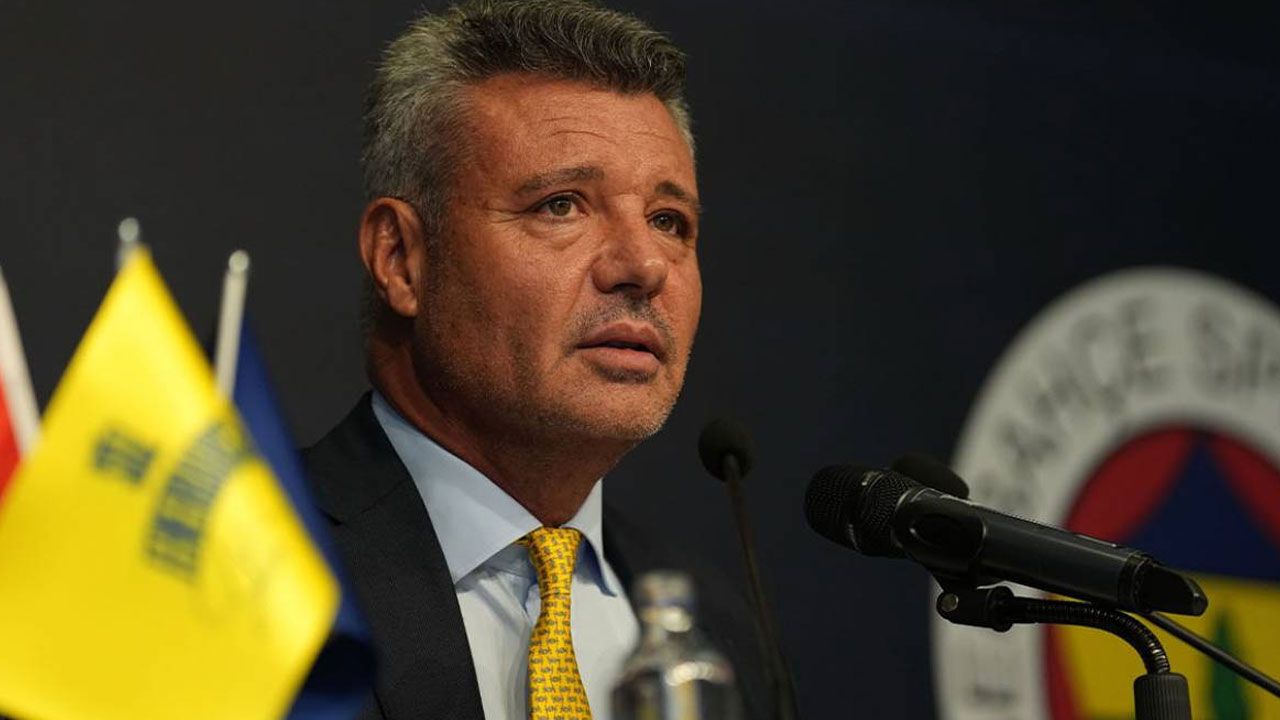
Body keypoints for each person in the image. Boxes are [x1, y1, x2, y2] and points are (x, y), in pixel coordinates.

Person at [302, 1, 768, 718]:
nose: (643, 265)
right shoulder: (255, 565)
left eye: (668, 221)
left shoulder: (721, 632)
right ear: (401, 259)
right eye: (561, 206)